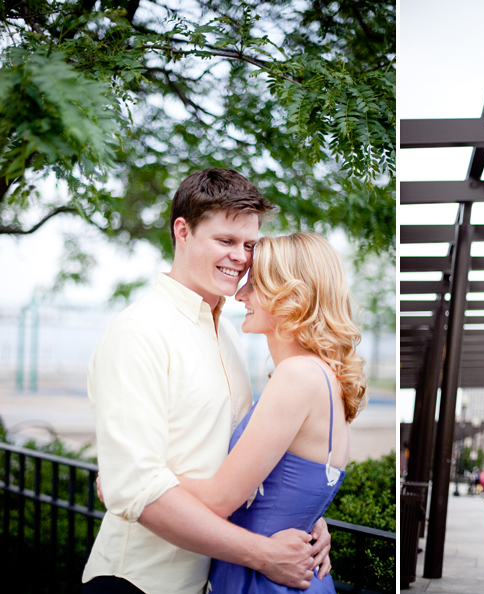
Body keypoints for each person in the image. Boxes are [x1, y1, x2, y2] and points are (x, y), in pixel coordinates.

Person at [83, 169, 331, 594]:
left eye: (249, 245)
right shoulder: (138, 332)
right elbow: (138, 488)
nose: (240, 257)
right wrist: (263, 554)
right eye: (226, 241)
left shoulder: (228, 334)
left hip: (213, 580)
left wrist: (304, 515)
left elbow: (241, 455)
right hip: (140, 582)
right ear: (183, 231)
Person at [178, 232, 367, 592]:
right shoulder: (325, 377)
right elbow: (298, 486)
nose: (240, 294)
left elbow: (220, 498)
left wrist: (134, 480)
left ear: (291, 295)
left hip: (264, 580)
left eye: (256, 284)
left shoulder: (298, 375)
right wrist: (312, 519)